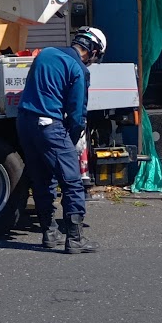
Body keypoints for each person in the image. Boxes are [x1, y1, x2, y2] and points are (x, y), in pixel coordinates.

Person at [16, 26, 106, 254]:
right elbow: (77, 114)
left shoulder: (45, 53)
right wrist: (72, 140)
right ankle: (75, 238)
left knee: (42, 179)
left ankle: (49, 232)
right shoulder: (78, 69)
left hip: (25, 123)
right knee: (72, 181)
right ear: (93, 51)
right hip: (50, 126)